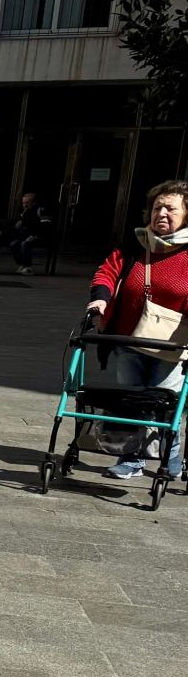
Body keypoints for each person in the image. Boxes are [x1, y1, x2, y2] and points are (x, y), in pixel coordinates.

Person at [84, 180, 188, 481]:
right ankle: (131, 459)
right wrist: (100, 300)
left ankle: (170, 456)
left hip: (172, 347)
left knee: (163, 404)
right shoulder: (135, 244)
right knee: (130, 401)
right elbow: (107, 271)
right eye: (157, 207)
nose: (162, 213)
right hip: (127, 339)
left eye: (170, 209)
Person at [11, 191, 51, 275]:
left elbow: (46, 226)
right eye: (23, 203)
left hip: (39, 237)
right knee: (13, 244)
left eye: (27, 203)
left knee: (25, 244)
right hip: (26, 237)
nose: (24, 205)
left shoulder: (40, 210)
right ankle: (22, 264)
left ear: (33, 203)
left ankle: (28, 267)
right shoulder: (25, 212)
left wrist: (35, 236)